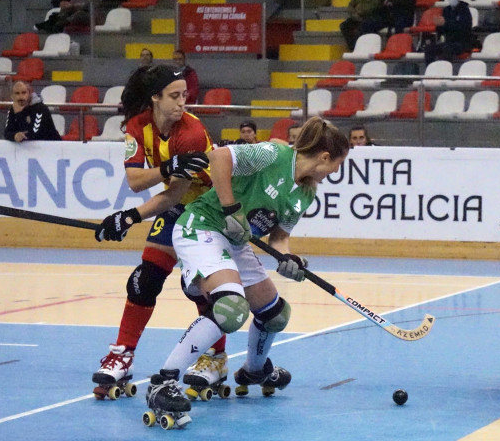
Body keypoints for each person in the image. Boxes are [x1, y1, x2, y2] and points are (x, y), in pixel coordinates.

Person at [143, 116, 350, 421]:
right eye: (337, 164)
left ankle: (255, 370)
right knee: (230, 307)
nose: (336, 172)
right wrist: (231, 208)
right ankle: (164, 381)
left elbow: (279, 239)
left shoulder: (305, 193)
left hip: (234, 243)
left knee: (275, 313)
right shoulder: (273, 155)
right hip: (202, 226)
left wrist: (289, 261)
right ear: (324, 157)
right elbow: (219, 157)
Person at [91, 65, 228, 398]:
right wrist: (167, 168)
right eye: (175, 96)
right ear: (155, 97)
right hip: (179, 208)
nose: (183, 102)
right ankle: (122, 354)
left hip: (210, 208)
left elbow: (174, 194)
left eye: (184, 95)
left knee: (199, 289)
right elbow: (136, 181)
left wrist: (129, 217)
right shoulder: (137, 127)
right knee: (144, 278)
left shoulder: (191, 133)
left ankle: (216, 358)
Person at [424, 0, 474, 66]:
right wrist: (439, 26)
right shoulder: (446, 10)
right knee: (429, 48)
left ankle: (445, 72)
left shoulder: (464, 10)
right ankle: (429, 71)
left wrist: (446, 23)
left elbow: (464, 28)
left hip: (463, 43)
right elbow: (442, 31)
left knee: (447, 49)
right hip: (449, 41)